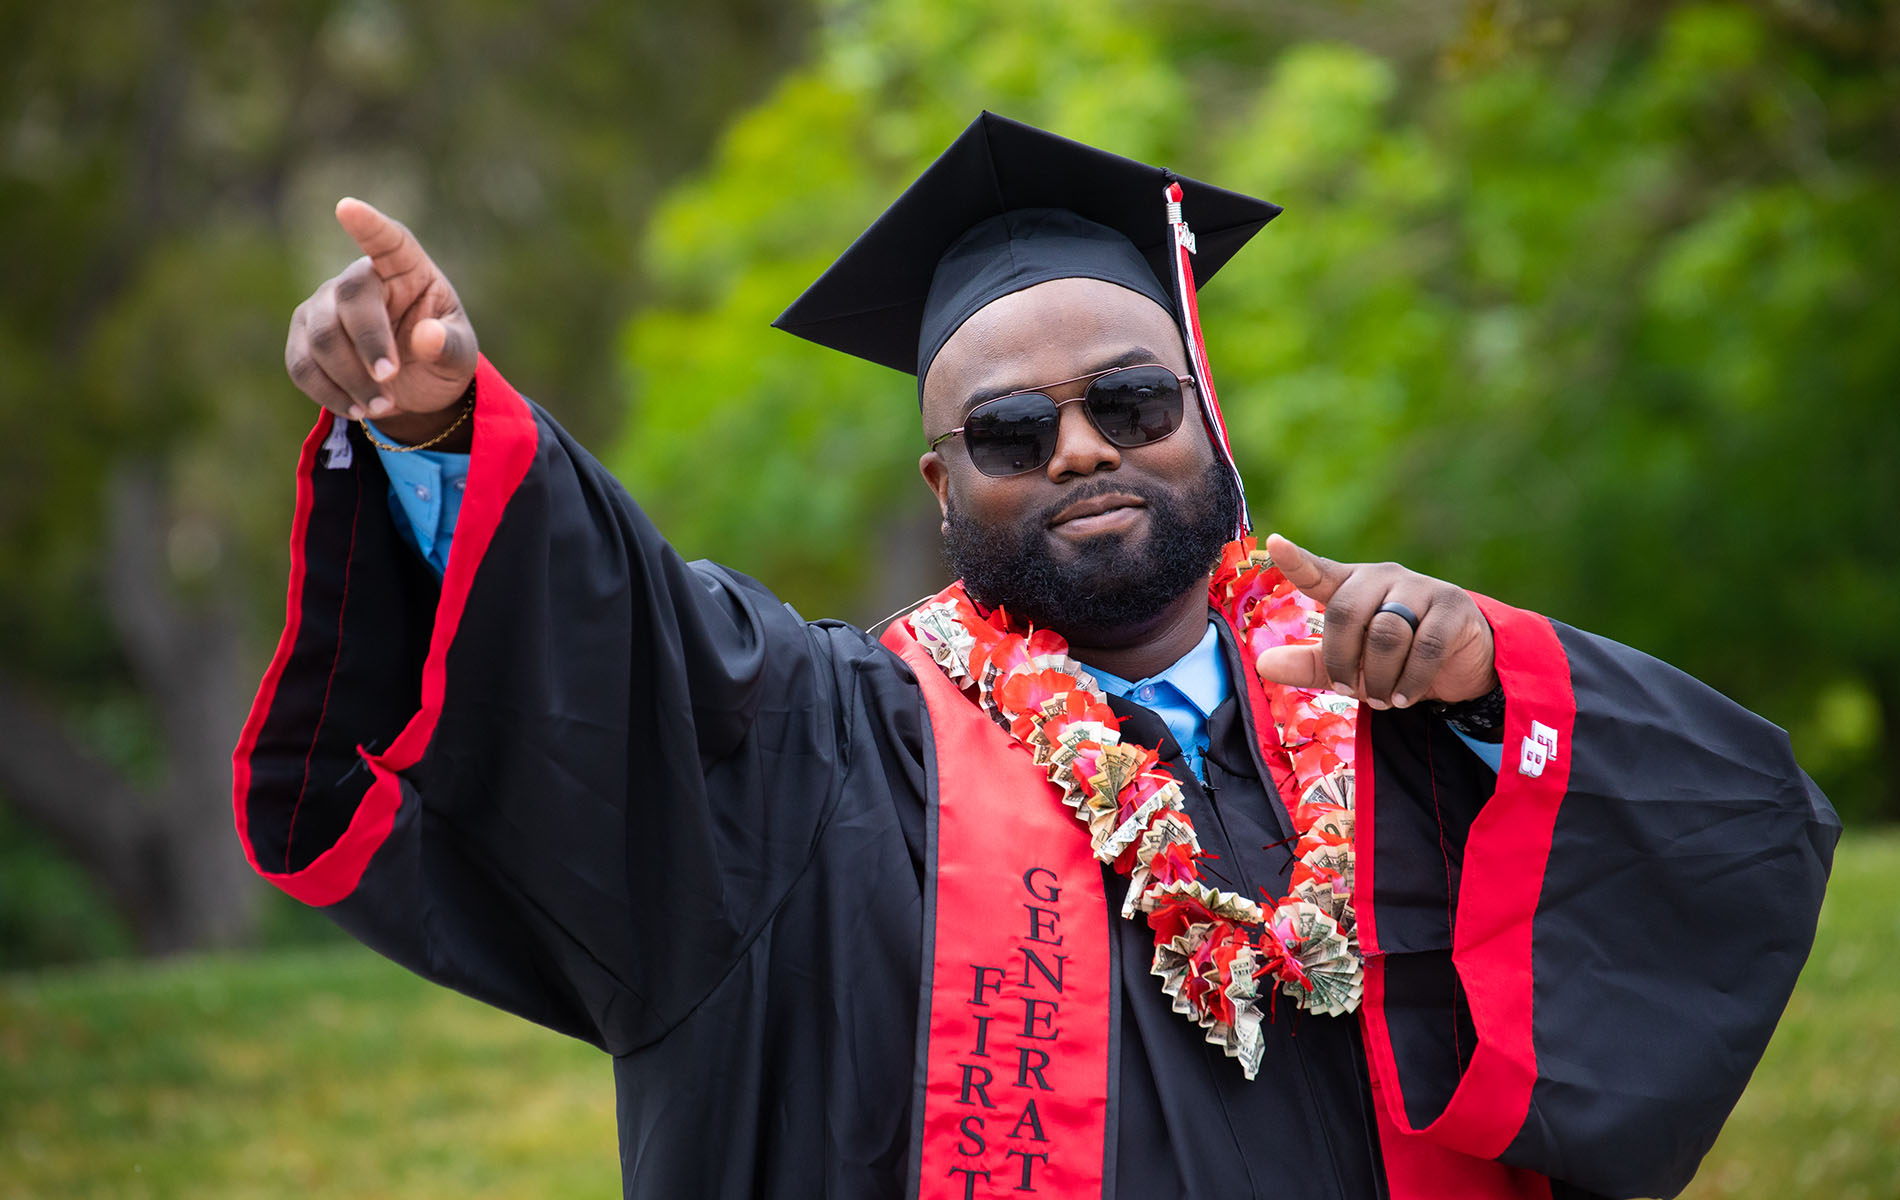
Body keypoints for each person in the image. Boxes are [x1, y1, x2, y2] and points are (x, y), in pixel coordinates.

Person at [234, 113, 1838, 1200]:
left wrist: (1498, 685)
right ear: (943, 487)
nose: (1081, 449)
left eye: (1133, 403)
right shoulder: (818, 750)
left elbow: (1729, 837)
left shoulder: (1407, 723)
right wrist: (437, 427)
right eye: (1012, 430)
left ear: (1207, 419)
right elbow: (610, 651)